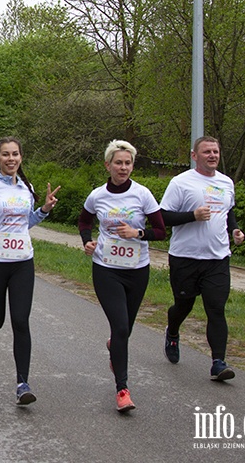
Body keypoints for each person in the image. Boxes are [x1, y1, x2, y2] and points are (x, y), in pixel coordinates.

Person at [0, 137, 60, 406]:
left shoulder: (27, 187)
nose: (11, 159)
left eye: (16, 154)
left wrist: (43, 210)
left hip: (22, 262)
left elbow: (25, 222)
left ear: (21, 157)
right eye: (6, 155)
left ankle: (23, 384)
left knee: (20, 321)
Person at [78, 140, 166, 412]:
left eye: (128, 163)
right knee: (120, 327)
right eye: (118, 163)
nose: (123, 167)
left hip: (137, 270)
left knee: (124, 331)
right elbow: (84, 220)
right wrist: (87, 241)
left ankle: (114, 346)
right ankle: (123, 390)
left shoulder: (143, 194)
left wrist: (138, 233)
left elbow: (161, 231)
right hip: (106, 268)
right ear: (108, 165)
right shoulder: (97, 195)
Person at [159, 136, 245, 382]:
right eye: (206, 152)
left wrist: (235, 231)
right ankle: (173, 331)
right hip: (185, 257)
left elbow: (228, 213)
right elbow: (163, 217)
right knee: (183, 305)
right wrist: (192, 216)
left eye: (216, 151)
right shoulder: (181, 183)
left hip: (217, 258)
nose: (212, 156)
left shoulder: (226, 183)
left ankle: (218, 363)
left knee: (216, 309)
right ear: (194, 155)